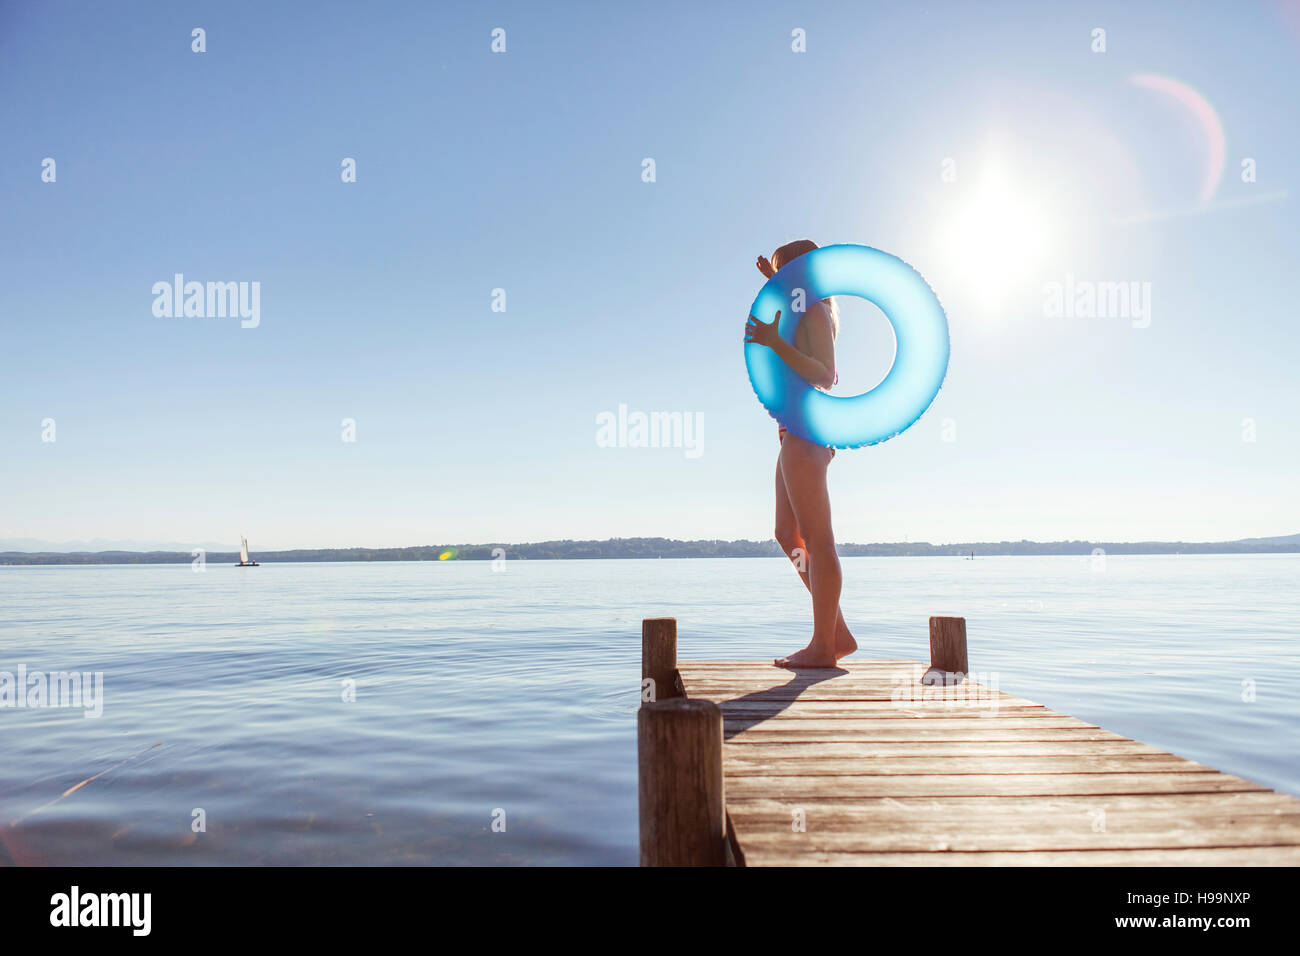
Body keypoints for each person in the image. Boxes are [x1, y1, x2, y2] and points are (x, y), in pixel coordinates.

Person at [745, 239, 857, 668]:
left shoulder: (814, 310)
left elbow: (825, 374)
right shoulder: (802, 308)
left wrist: (775, 343)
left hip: (808, 431)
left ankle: (823, 648)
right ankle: (837, 633)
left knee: (817, 540)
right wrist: (773, 283)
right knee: (786, 534)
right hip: (794, 430)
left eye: (783, 272)